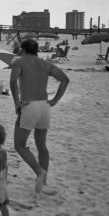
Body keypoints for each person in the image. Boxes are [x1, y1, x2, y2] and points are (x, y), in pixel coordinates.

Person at [9, 39, 69, 193]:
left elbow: (13, 83)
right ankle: (44, 180)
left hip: (29, 105)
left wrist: (16, 103)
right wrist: (55, 100)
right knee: (41, 145)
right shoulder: (45, 64)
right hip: (44, 106)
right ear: (36, 50)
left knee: (19, 145)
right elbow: (65, 80)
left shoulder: (19, 62)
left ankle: (39, 172)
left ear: (23, 50)